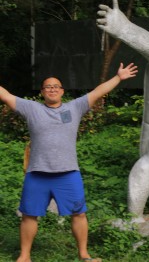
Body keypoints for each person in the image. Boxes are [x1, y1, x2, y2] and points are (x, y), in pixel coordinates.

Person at [0, 62, 138, 262]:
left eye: (56, 86)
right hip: (37, 173)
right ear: (42, 92)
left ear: (62, 91)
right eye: (48, 86)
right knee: (29, 215)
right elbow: (4, 94)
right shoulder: (31, 108)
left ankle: (84, 255)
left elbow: (98, 91)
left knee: (79, 214)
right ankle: (24, 256)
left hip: (68, 173)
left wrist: (118, 77)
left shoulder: (75, 107)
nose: (52, 89)